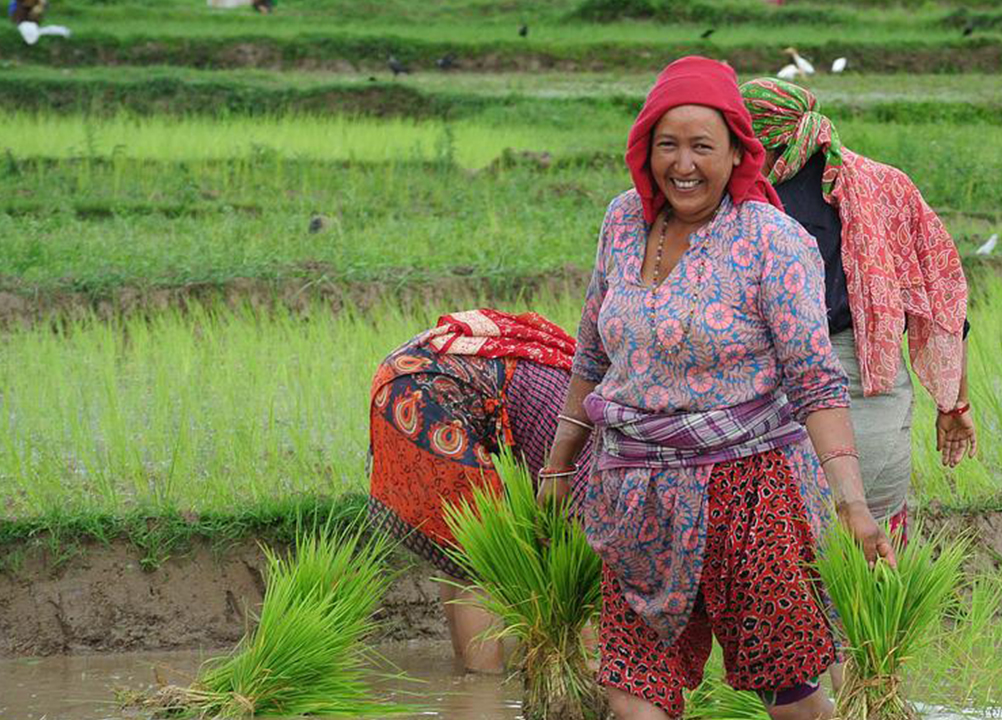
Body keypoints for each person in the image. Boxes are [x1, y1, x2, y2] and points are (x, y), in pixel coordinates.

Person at [537, 56, 894, 720]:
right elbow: (590, 346)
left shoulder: (773, 241)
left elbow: (814, 381)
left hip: (752, 493)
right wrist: (560, 463)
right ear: (645, 150)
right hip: (634, 492)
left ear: (736, 151)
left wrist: (852, 504)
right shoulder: (622, 222)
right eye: (667, 144)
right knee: (631, 688)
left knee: (787, 684)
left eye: (703, 146)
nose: (684, 163)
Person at [740, 78, 976, 535]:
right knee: (872, 537)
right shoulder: (887, 186)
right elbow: (946, 304)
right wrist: (954, 403)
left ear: (762, 141)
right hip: (874, 390)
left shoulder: (752, 203)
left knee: (790, 539)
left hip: (781, 384)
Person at [368, 308, 592, 673]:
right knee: (484, 562)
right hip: (432, 391)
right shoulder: (597, 442)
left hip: (404, 376)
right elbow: (578, 571)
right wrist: (589, 664)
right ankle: (483, 689)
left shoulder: (584, 387)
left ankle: (466, 676)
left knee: (462, 552)